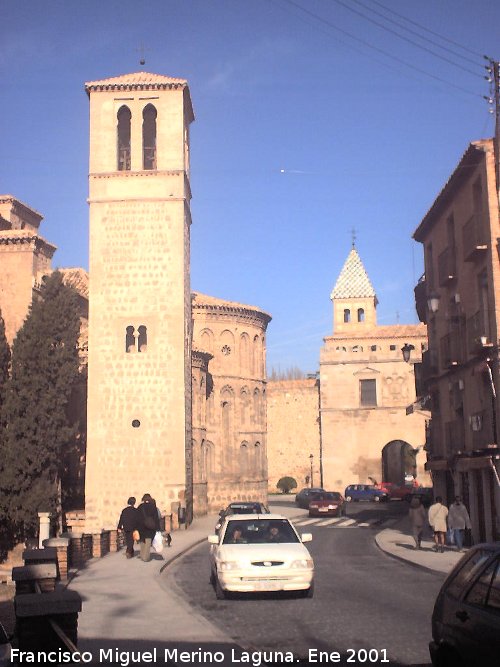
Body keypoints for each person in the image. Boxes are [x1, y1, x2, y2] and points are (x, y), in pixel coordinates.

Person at [137, 493, 160, 562]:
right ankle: (146, 557)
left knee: (142, 542)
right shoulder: (153, 507)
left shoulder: (140, 507)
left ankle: (142, 555)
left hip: (141, 527)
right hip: (150, 527)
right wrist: (158, 528)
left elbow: (137, 517)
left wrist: (136, 527)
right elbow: (156, 518)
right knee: (148, 542)